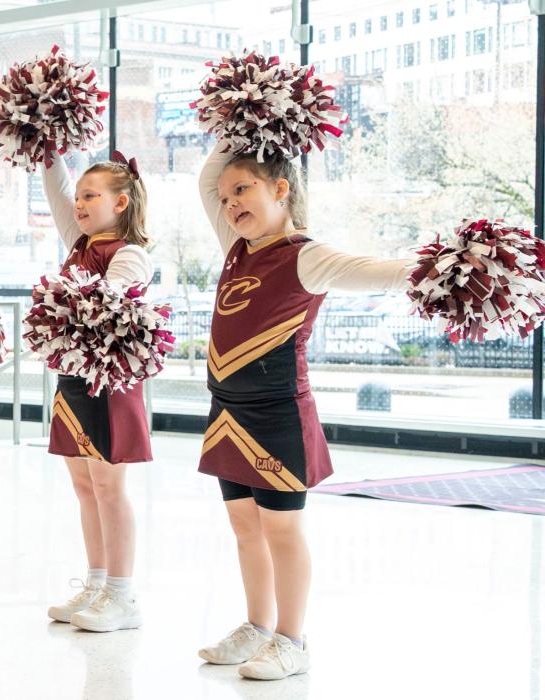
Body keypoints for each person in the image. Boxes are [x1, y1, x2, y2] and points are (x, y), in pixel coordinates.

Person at [194, 142, 416, 680]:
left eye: (242, 189)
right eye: (226, 199)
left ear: (280, 188)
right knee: (244, 525)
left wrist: (450, 270)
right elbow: (206, 179)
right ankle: (257, 627)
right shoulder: (237, 246)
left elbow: (380, 272)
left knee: (282, 530)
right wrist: (238, 120)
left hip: (277, 414)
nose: (228, 204)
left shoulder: (305, 255)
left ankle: (293, 641)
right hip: (227, 411)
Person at [36, 153, 155, 631]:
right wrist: (43, 140)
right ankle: (97, 582)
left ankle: (122, 596)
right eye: (79, 196)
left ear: (120, 202)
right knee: (84, 486)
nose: (79, 204)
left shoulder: (130, 253)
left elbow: (105, 305)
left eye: (91, 196)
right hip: (71, 377)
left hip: (109, 384)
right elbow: (53, 186)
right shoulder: (77, 243)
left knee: (109, 487)